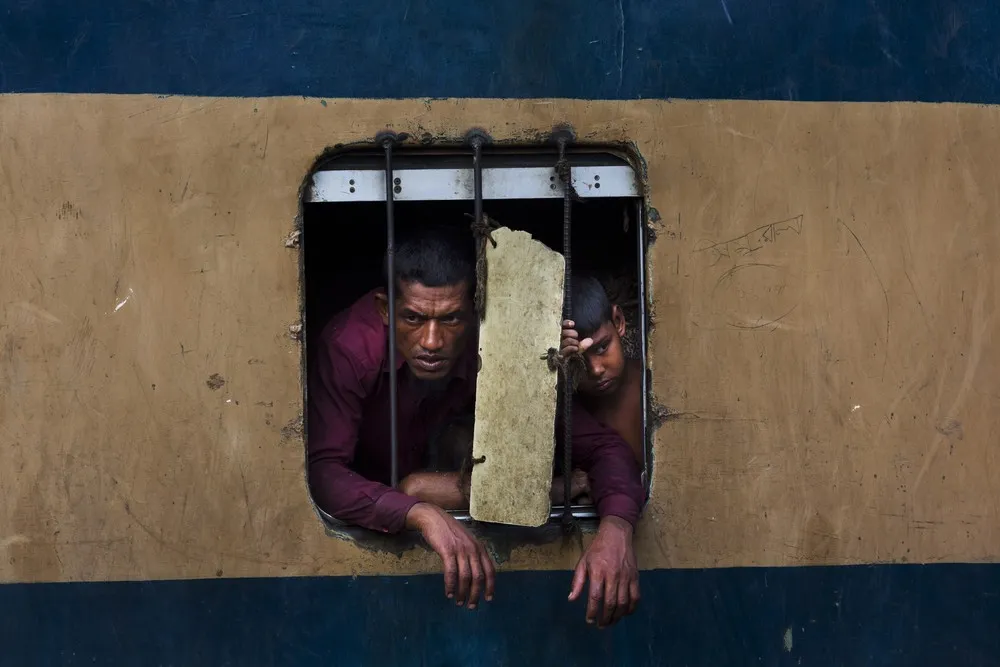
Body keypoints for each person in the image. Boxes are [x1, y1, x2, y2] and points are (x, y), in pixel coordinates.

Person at [309, 226, 644, 626]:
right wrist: (420, 513)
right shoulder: (350, 348)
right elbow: (325, 473)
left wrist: (617, 527)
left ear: (475, 310)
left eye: (451, 319)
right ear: (385, 309)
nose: (432, 342)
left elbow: (603, 448)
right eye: (413, 318)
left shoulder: (496, 346)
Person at [559, 276, 644, 463]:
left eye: (602, 347)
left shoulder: (653, 384)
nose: (596, 370)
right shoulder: (569, 415)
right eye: (577, 361)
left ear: (618, 321)